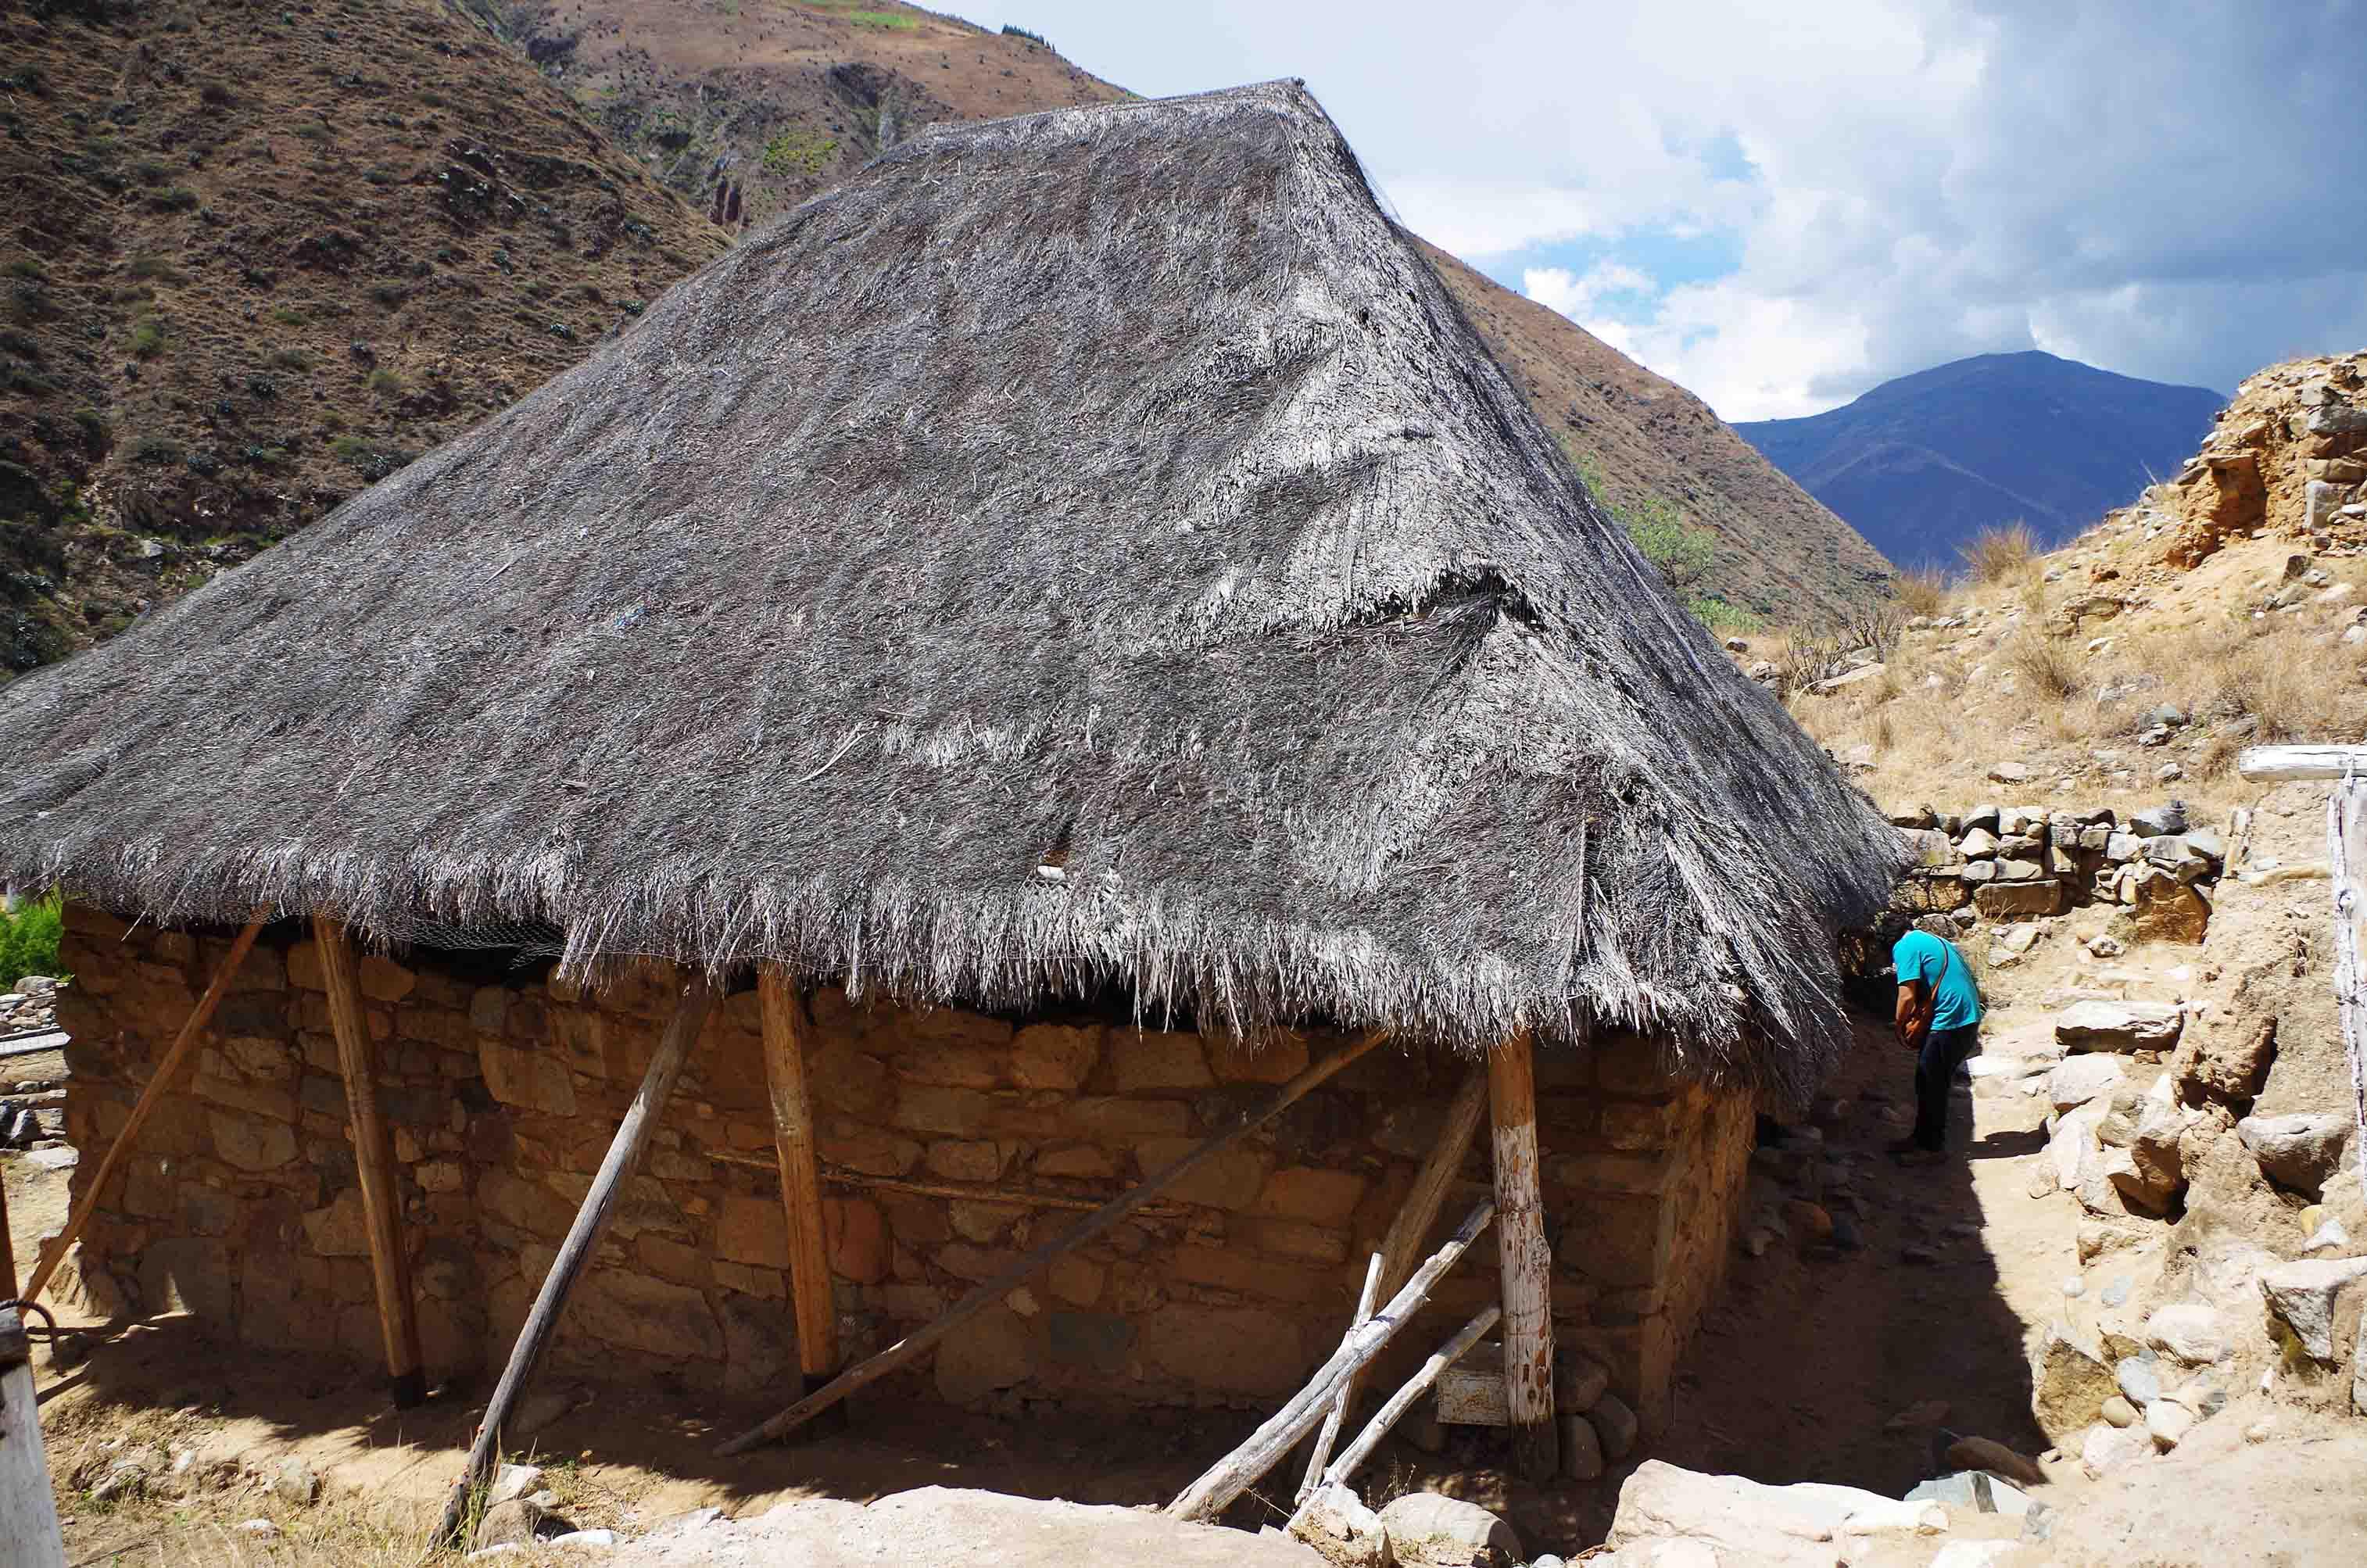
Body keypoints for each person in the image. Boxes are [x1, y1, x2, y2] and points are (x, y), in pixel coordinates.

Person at [1889, 920, 1982, 1163]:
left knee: (1932, 1083)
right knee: (1928, 1080)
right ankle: (1921, 1138)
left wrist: (1899, 1024)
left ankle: (1932, 1148)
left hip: (1952, 1022)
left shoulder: (1904, 946)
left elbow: (1907, 995)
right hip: (1965, 1018)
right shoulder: (1933, 940)